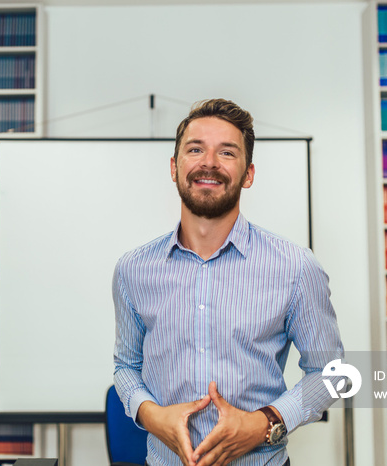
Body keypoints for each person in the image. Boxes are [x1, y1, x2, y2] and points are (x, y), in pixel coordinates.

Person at [112, 98, 344, 466]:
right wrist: (153, 416)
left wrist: (264, 424)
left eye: (227, 152)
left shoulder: (296, 267)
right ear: (174, 168)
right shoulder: (132, 270)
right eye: (195, 149)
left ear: (248, 174)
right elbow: (126, 367)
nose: (209, 162)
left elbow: (332, 375)